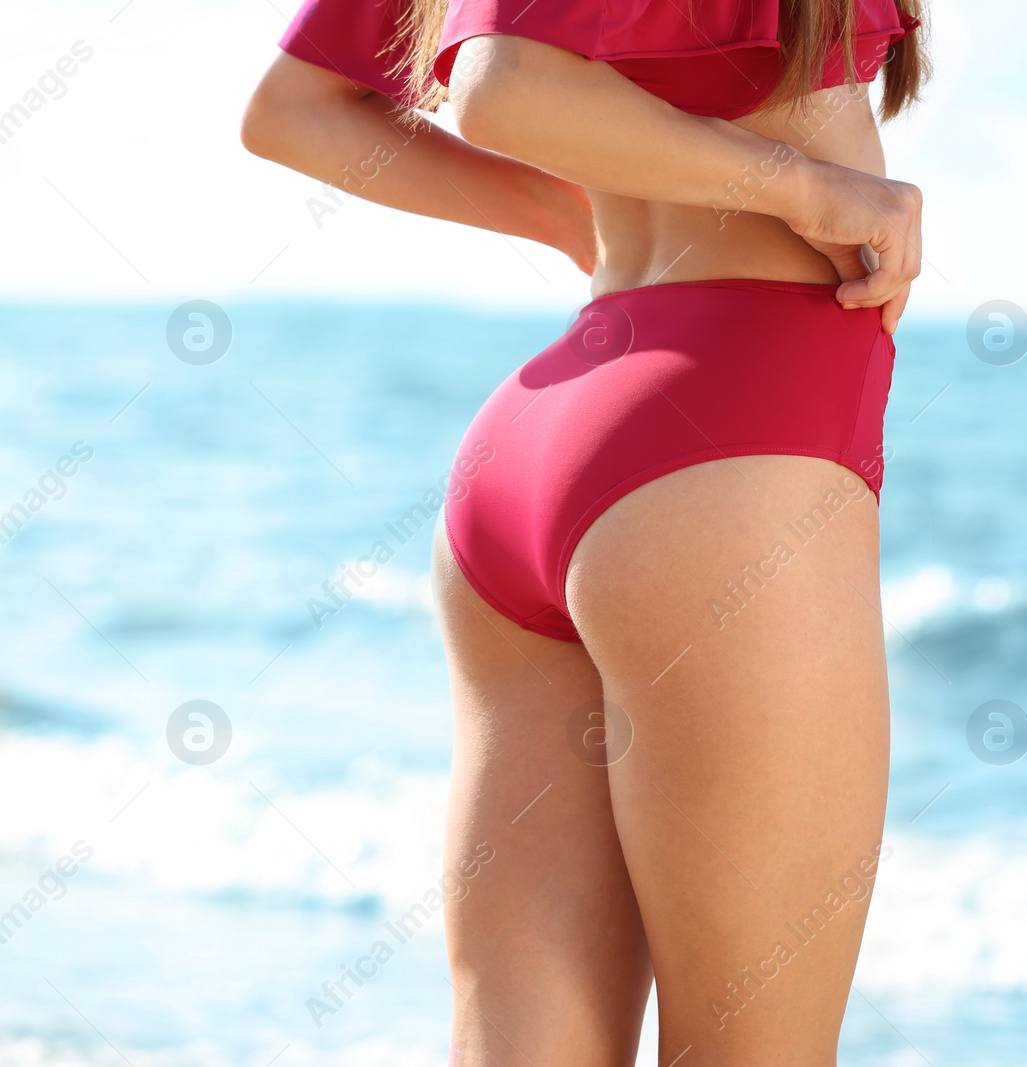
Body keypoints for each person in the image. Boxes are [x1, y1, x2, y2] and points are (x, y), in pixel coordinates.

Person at [242, 1, 926, 1062]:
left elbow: (295, 111)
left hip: (547, 432)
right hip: (732, 439)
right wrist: (806, 185)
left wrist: (579, 217)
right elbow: (503, 87)